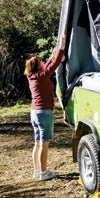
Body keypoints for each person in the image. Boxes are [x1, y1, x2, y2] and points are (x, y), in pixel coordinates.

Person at [24, 36, 65, 181]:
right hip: (43, 113)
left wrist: (52, 55)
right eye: (40, 61)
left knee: (37, 143)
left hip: (35, 113)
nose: (43, 62)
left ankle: (37, 171)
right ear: (37, 66)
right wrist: (60, 47)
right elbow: (54, 65)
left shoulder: (33, 76)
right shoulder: (42, 76)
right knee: (44, 144)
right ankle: (43, 172)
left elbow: (48, 65)